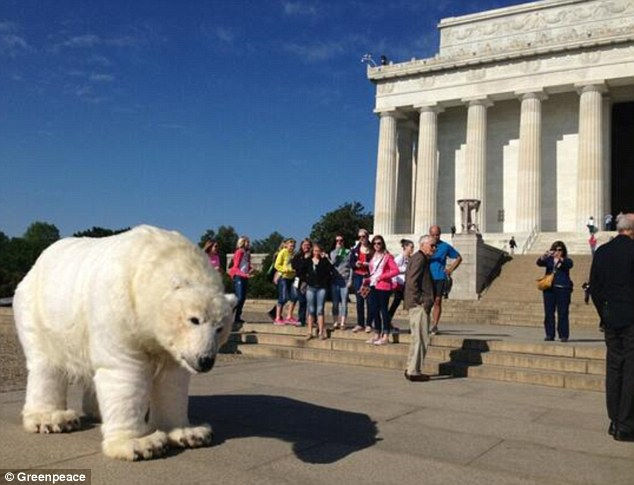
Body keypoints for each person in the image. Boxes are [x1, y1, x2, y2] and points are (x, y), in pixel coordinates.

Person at [589, 213, 634, 442]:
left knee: (614, 368)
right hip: (631, 320)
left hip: (610, 319)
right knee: (630, 370)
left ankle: (614, 420)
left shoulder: (602, 252)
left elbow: (594, 288)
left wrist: (604, 314)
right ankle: (626, 423)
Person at [403, 235, 436, 382]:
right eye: (432, 245)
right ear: (423, 245)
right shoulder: (420, 258)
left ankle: (411, 368)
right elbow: (411, 281)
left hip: (416, 304)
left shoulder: (418, 257)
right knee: (421, 339)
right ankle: (414, 371)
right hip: (419, 305)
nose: (434, 248)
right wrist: (420, 301)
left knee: (417, 338)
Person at [536, 241, 574, 342]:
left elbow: (570, 265)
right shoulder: (549, 259)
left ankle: (563, 335)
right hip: (549, 288)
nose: (557, 251)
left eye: (559, 250)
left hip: (562, 288)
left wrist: (559, 258)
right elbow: (539, 263)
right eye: (555, 250)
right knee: (549, 312)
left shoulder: (566, 260)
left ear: (563, 251)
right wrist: (544, 256)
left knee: (563, 312)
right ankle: (549, 334)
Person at [365, 235, 399, 346]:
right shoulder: (372, 256)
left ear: (382, 244)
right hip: (373, 285)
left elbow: (395, 271)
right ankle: (377, 333)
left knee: (383, 310)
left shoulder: (387, 256)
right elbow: (372, 271)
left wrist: (383, 276)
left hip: (384, 285)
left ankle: (386, 335)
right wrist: (368, 279)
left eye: (379, 243)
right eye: (374, 243)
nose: (376, 245)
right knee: (374, 309)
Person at [429, 225, 462, 335]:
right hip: (427, 278)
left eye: (437, 234)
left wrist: (450, 269)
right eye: (433, 235)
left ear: (440, 234)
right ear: (430, 234)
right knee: (426, 302)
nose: (435, 237)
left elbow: (458, 257)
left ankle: (434, 325)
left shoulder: (445, 246)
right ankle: (422, 324)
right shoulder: (425, 246)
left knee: (437, 301)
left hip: (439, 277)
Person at [304, 242, 335, 340]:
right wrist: (307, 279)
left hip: (321, 288)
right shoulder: (308, 260)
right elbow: (301, 269)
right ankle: (309, 332)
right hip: (311, 287)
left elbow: (331, 269)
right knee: (311, 309)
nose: (316, 252)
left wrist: (326, 258)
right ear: (312, 251)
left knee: (320, 310)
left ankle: (321, 332)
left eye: (318, 250)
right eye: (315, 250)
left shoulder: (323, 261)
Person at [388, 239, 414, 327]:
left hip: (406, 284)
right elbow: (393, 269)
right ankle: (387, 320)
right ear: (405, 247)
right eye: (411, 247)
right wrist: (394, 281)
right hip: (399, 284)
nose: (412, 249)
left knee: (398, 302)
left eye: (413, 247)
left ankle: (387, 319)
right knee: (401, 302)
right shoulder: (400, 258)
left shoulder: (410, 258)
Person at [350, 229, 372, 333]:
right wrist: (356, 264)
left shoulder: (372, 249)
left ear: (367, 237)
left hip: (368, 276)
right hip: (358, 276)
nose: (361, 239)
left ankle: (368, 324)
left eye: (363, 236)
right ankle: (360, 323)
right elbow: (351, 263)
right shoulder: (355, 249)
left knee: (369, 300)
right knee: (359, 301)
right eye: (359, 237)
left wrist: (369, 265)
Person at [273, 238, 299, 325]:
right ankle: (277, 318)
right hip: (284, 277)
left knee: (295, 296)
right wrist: (286, 270)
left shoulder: (293, 254)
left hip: (292, 278)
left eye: (294, 246)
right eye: (291, 245)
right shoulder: (283, 252)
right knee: (283, 297)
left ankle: (289, 316)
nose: (293, 247)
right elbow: (277, 265)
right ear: (286, 245)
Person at [228, 236, 252, 325]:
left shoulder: (247, 254)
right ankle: (229, 315)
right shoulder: (239, 252)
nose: (249, 244)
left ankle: (237, 317)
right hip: (238, 276)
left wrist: (251, 270)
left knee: (243, 298)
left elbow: (246, 266)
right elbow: (235, 267)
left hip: (245, 277)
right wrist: (243, 274)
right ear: (242, 243)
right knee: (240, 297)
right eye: (247, 242)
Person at [329, 235, 351, 330]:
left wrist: (350, 280)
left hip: (345, 281)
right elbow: (332, 264)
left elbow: (350, 267)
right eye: (337, 240)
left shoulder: (348, 252)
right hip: (335, 280)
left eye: (341, 240)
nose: (339, 242)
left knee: (344, 303)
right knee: (335, 303)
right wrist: (337, 251)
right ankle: (335, 322)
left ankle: (343, 323)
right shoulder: (332, 252)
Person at [292, 238, 312, 326]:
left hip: (309, 281)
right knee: (302, 301)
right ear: (301, 246)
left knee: (310, 301)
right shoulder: (297, 256)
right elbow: (296, 267)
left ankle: (312, 320)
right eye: (304, 245)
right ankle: (301, 319)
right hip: (299, 281)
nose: (306, 247)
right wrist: (305, 260)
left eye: (308, 245)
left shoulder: (313, 256)